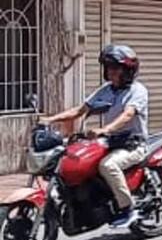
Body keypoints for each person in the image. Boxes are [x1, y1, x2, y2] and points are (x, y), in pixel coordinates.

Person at [41, 45, 149, 227]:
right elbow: (79, 110)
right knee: (76, 157)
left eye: (115, 68)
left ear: (128, 70)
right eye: (108, 67)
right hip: (110, 142)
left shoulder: (138, 90)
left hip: (133, 144)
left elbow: (128, 115)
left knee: (108, 165)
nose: (111, 71)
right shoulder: (107, 90)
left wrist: (105, 129)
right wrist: (50, 119)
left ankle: (127, 208)